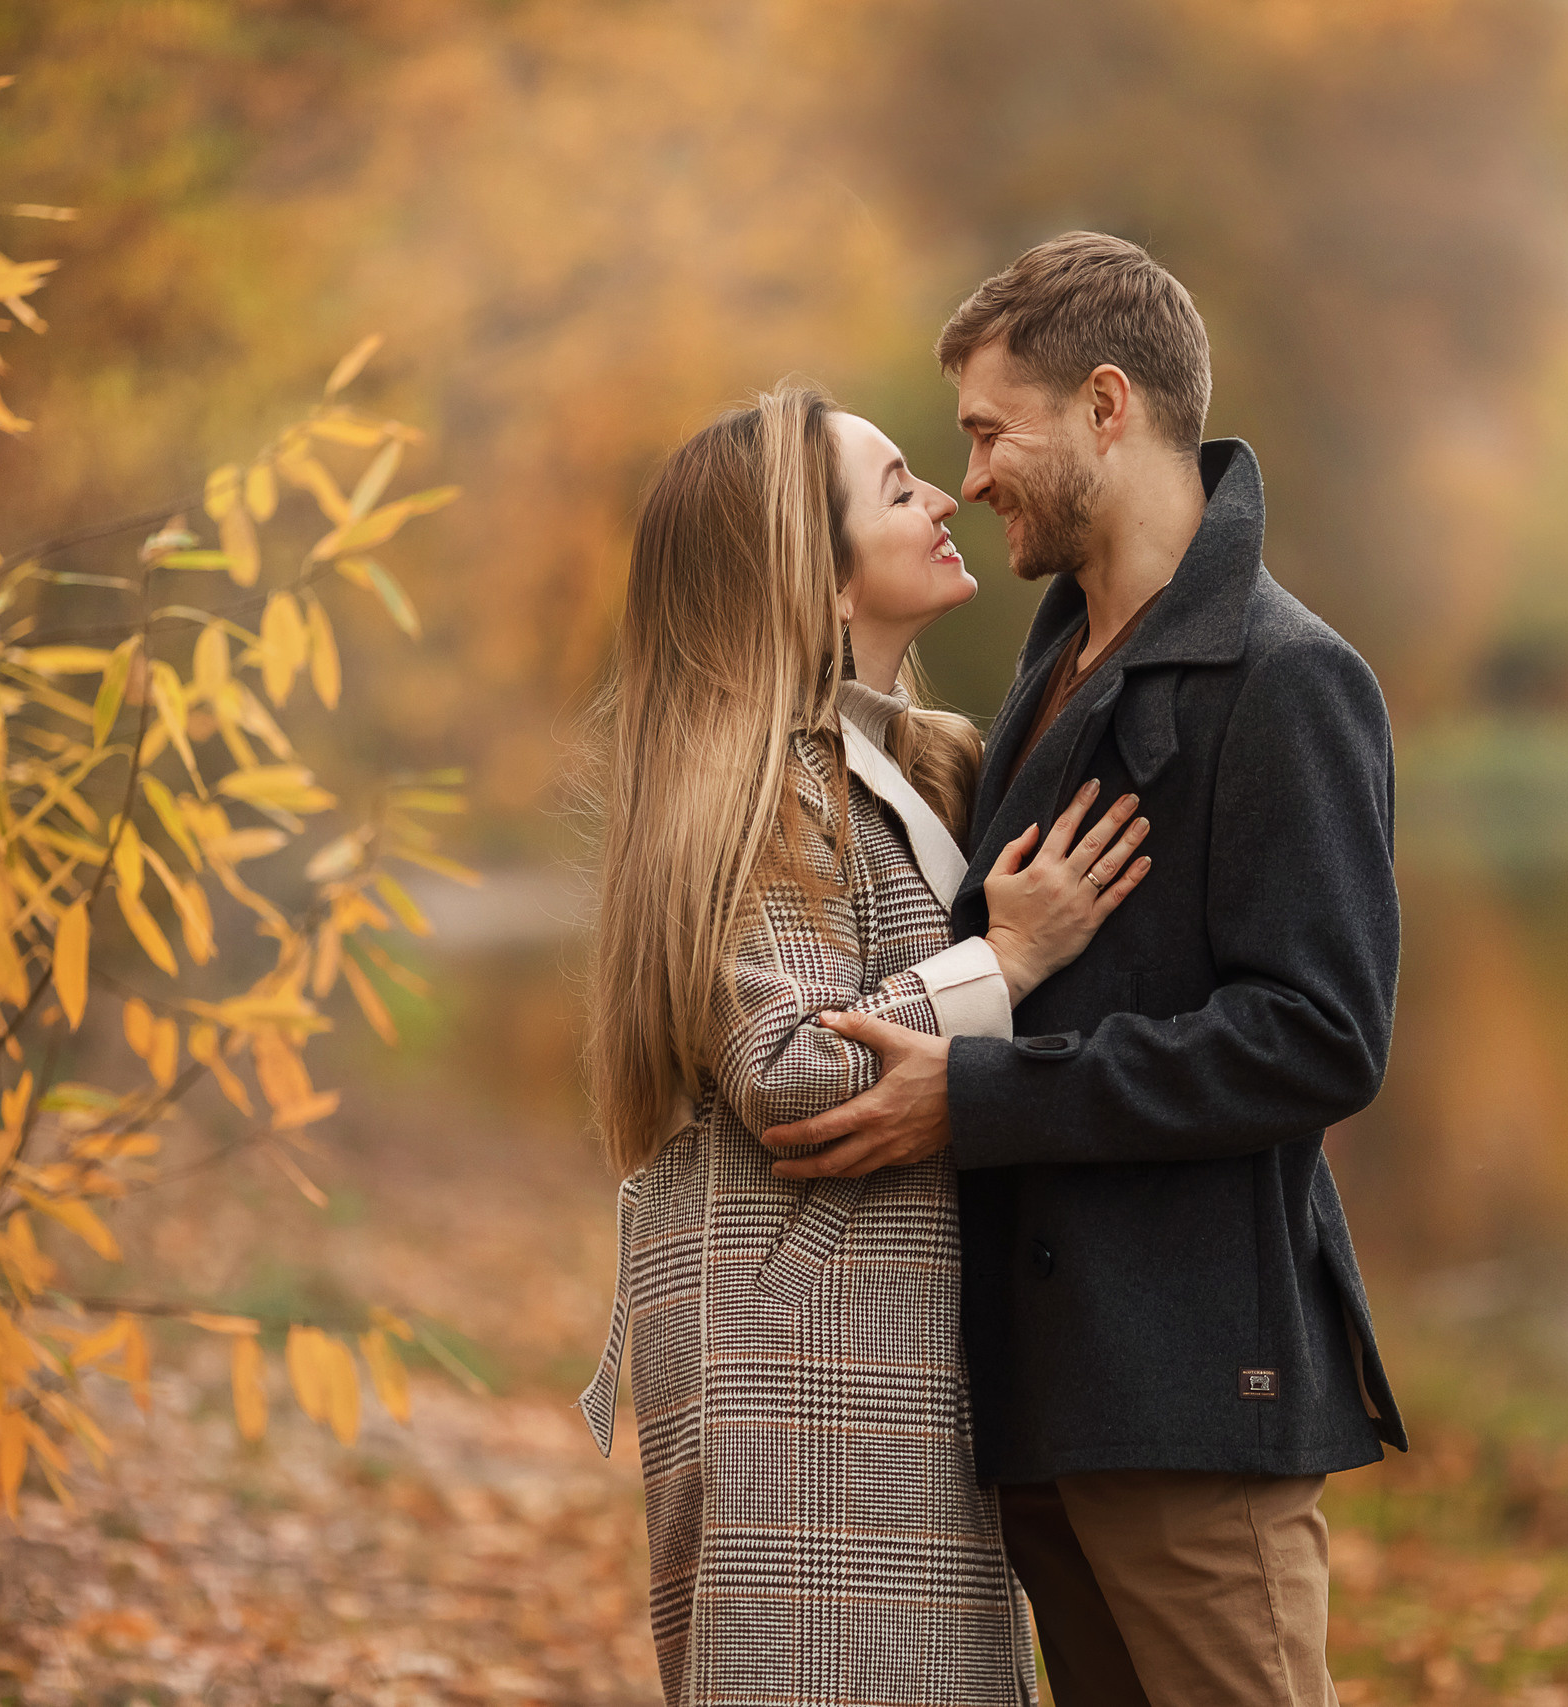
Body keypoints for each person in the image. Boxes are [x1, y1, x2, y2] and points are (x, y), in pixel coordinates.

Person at [759, 234, 1409, 1706]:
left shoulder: (1286, 678)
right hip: (1051, 1393)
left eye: (990, 432)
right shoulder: (1054, 661)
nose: (970, 477)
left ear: (1106, 406)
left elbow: (1319, 1038)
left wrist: (982, 1100)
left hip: (1191, 1397)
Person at [581, 382, 1152, 1705]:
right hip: (804, 1369)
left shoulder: (913, 763)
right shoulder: (755, 784)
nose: (945, 495)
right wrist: (1003, 959)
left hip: (886, 1357)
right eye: (899, 488)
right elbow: (789, 1068)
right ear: (819, 583)